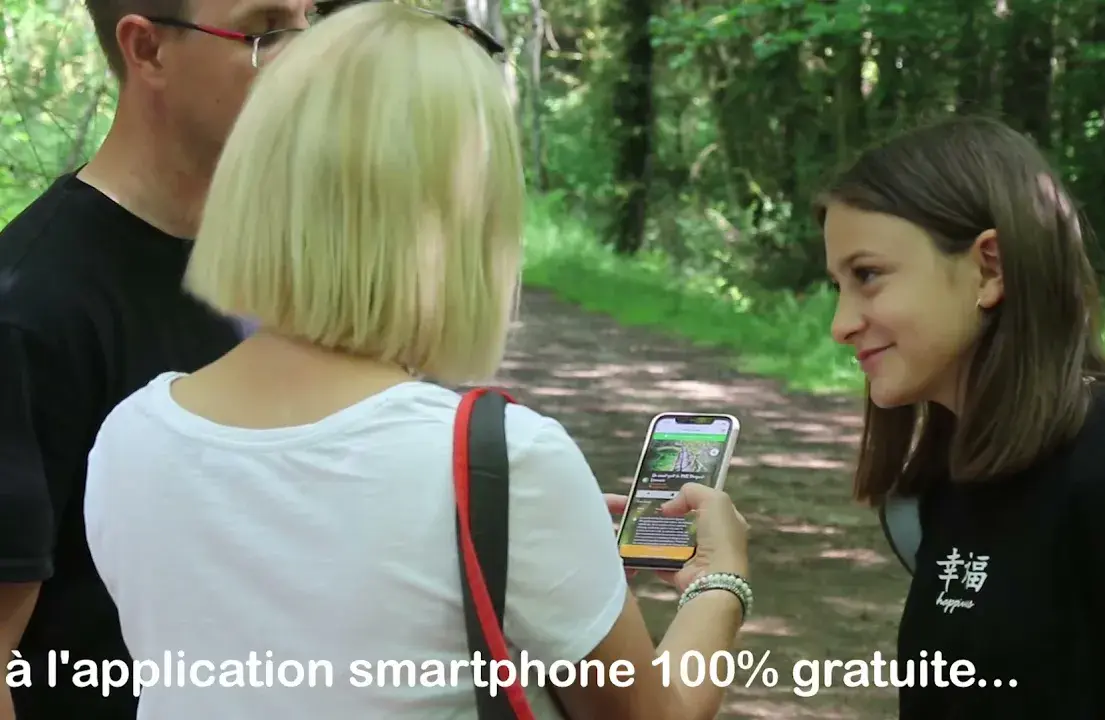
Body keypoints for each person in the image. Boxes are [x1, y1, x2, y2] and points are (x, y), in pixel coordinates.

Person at [81, 3, 752, 719]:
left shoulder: (131, 435)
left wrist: (534, 555)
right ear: (468, 217)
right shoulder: (502, 461)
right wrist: (721, 584)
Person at [815, 114, 1105, 719]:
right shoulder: (956, 472)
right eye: (838, 285)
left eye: (868, 276)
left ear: (990, 268)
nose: (841, 324)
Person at [0, 0, 313, 717]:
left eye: (309, 22)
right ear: (146, 50)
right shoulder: (31, 311)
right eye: (265, 32)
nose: (307, 61)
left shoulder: (278, 260)